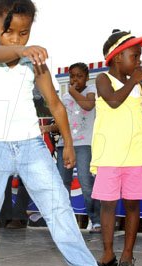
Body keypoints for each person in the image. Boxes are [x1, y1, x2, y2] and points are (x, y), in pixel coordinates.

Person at [0, 0, 109, 266]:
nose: (16, 39)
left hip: (31, 146)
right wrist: (20, 50)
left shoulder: (34, 64)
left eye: (24, 33)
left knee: (58, 206)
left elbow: (55, 104)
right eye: (9, 32)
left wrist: (66, 142)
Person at [91, 29, 142, 266]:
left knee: (132, 204)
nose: (139, 62)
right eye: (134, 56)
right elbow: (112, 101)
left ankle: (127, 254)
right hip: (110, 153)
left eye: (140, 57)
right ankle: (108, 252)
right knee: (108, 205)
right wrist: (135, 80)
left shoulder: (136, 86)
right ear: (117, 57)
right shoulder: (103, 79)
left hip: (134, 152)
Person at [47, 62, 101, 233]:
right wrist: (47, 128)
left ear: (86, 77)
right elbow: (62, 122)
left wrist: (73, 91)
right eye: (72, 76)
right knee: (63, 183)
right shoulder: (65, 97)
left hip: (84, 144)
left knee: (86, 183)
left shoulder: (91, 90)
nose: (75, 79)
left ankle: (96, 220)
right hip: (65, 144)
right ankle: (64, 221)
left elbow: (88, 105)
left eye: (79, 76)